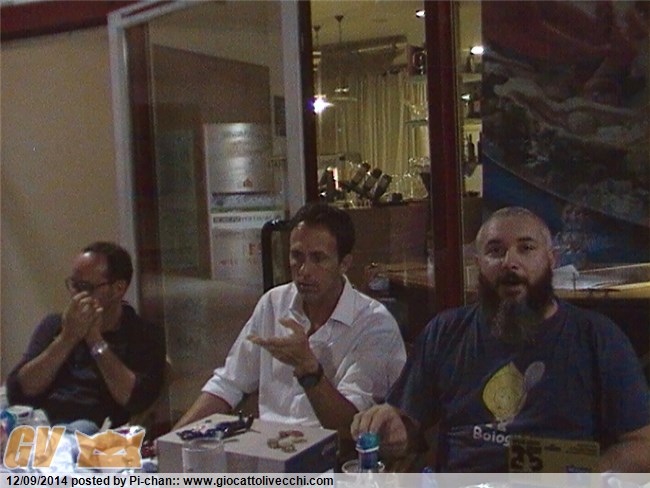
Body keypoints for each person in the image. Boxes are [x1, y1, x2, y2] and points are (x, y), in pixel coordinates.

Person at [351, 207, 650, 472]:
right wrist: (389, 429)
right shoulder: (445, 332)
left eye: (526, 248)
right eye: (495, 251)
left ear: (551, 259)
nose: (510, 262)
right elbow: (407, 429)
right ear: (478, 263)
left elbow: (642, 445)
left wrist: (588, 479)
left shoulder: (598, 338)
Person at [174, 202, 407, 445]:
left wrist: (309, 370)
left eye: (318, 259)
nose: (304, 271)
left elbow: (349, 427)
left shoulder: (374, 324)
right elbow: (229, 384)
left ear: (344, 263)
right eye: (297, 256)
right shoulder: (274, 303)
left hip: (330, 454)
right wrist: (169, 440)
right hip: (268, 448)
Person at [6, 242, 166, 430]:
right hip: (41, 422)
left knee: (82, 427)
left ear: (118, 288)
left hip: (95, 430)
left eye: (85, 287)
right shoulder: (56, 325)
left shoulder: (144, 335)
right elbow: (18, 391)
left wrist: (95, 340)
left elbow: (136, 399)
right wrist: (66, 338)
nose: (76, 295)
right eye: (74, 285)